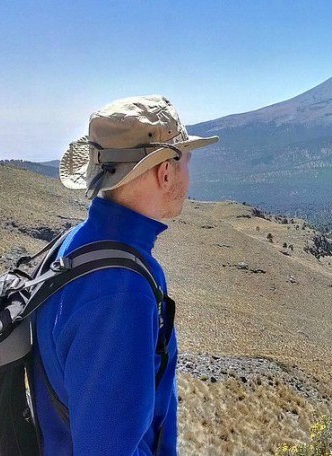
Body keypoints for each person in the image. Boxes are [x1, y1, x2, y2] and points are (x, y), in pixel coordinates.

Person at [33, 95, 218, 455]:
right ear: (166, 172)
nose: (188, 174)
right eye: (186, 161)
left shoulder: (78, 244)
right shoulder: (121, 295)